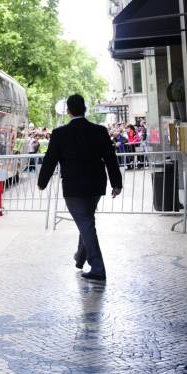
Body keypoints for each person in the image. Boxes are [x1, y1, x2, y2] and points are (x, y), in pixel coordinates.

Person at [37, 94, 122, 281]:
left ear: (68, 111)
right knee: (87, 221)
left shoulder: (60, 134)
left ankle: (98, 268)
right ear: (85, 109)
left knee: (85, 223)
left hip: (73, 187)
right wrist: (116, 183)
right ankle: (80, 257)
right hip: (95, 184)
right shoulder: (99, 131)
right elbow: (110, 158)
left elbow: (50, 160)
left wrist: (42, 182)